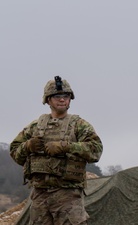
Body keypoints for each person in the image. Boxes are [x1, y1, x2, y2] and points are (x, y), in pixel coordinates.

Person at [10, 76, 103, 225]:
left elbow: (96, 150)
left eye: (66, 96)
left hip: (68, 196)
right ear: (48, 100)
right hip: (40, 196)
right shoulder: (35, 127)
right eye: (57, 96)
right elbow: (14, 151)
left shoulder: (79, 125)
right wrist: (27, 146)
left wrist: (67, 146)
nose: (62, 100)